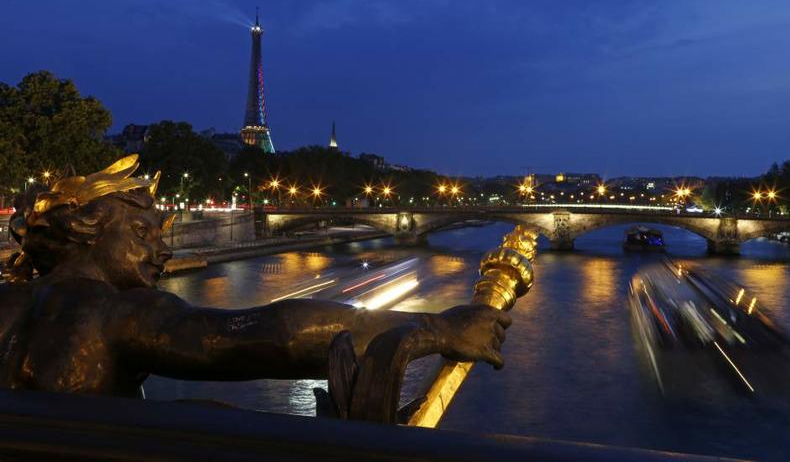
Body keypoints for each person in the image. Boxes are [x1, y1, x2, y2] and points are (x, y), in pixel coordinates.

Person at [0, 156, 510, 397]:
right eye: (142, 230)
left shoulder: (10, 303)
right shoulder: (116, 312)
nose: (161, 248)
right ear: (85, 229)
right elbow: (272, 334)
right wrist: (437, 329)